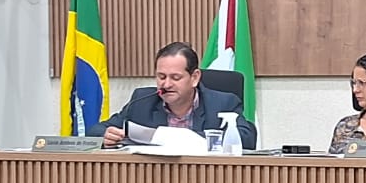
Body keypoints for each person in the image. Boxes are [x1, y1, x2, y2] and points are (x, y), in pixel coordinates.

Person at [89, 42, 257, 149]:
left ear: (194, 78)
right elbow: (95, 131)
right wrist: (105, 136)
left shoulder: (223, 103)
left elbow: (247, 137)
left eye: (175, 78)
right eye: (161, 77)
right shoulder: (142, 102)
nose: (166, 84)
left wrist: (191, 139)